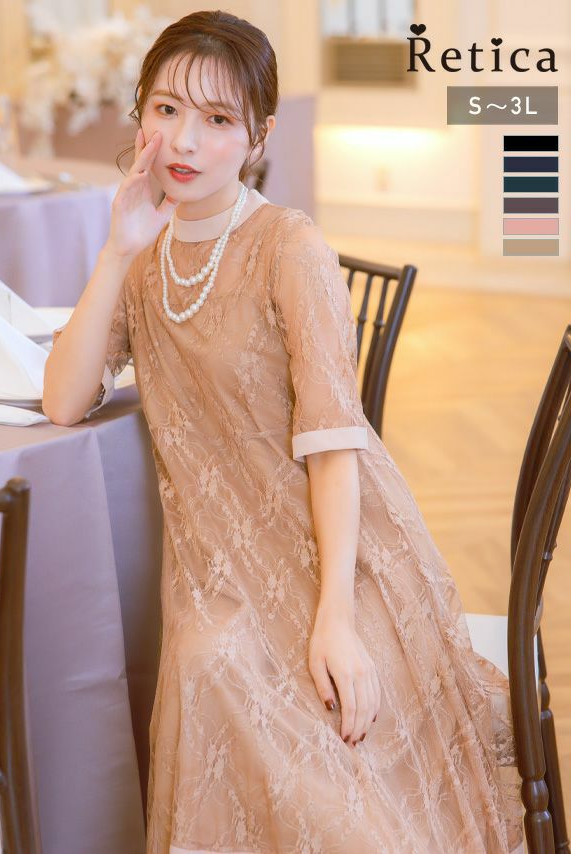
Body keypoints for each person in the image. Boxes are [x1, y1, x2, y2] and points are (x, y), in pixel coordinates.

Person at [42, 10, 524, 853]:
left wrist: (335, 618)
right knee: (211, 668)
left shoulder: (288, 248)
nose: (184, 140)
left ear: (259, 136)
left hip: (337, 558)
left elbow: (335, 449)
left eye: (217, 119)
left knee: (335, 784)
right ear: (140, 114)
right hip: (219, 573)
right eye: (166, 109)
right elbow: (62, 401)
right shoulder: (145, 257)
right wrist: (115, 251)